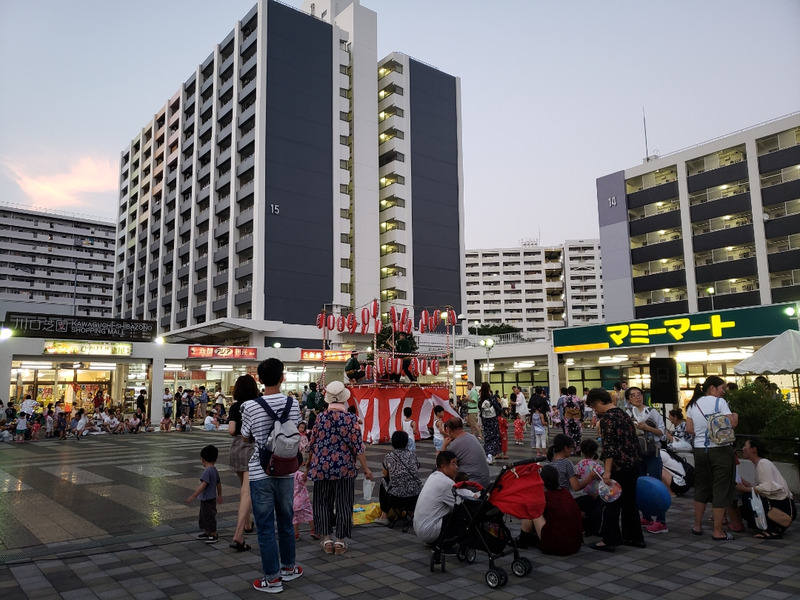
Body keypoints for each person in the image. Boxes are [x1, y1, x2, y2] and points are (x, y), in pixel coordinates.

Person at [240, 358, 304, 593]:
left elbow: (246, 437)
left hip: (260, 471)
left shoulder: (250, 406)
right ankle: (289, 568)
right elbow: (295, 430)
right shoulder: (293, 403)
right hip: (286, 470)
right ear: (282, 378)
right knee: (286, 521)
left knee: (266, 527)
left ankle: (272, 579)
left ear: (259, 379)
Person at [307, 380, 373, 557]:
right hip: (345, 468)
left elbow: (311, 445)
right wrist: (366, 468)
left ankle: (327, 539)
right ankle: (340, 541)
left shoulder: (320, 418)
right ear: (344, 399)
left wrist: (308, 466)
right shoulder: (351, 419)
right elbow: (358, 447)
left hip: (321, 468)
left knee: (322, 502)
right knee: (344, 503)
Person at [585, 387, 644, 552]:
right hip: (633, 464)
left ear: (598, 402)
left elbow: (609, 448)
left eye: (594, 406)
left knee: (611, 502)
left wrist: (607, 471)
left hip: (618, 467)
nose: (595, 410)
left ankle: (610, 540)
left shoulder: (607, 419)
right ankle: (635, 537)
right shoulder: (624, 414)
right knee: (630, 503)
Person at [686, 375, 739, 540]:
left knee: (701, 487)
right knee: (721, 488)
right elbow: (732, 423)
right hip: (720, 450)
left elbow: (689, 428)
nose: (724, 391)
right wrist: (735, 415)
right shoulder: (719, 403)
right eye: (722, 388)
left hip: (700, 450)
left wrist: (703, 433)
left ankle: (697, 525)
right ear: (712, 388)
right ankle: (718, 531)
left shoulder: (693, 404)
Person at [626, 386, 668, 534]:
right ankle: (647, 516)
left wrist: (647, 428)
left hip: (652, 453)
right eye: (633, 395)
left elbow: (663, 433)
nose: (638, 397)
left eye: (639, 394)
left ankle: (661, 521)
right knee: (641, 484)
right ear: (629, 399)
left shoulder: (652, 412)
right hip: (637, 454)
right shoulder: (628, 414)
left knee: (656, 485)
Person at [516, 465, 583, 555]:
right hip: (575, 544)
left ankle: (523, 540)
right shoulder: (565, 492)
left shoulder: (544, 497)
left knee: (532, 509)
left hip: (559, 547)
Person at [738, 438, 797, 539]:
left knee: (748, 497)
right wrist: (739, 480)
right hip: (782, 505)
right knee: (747, 497)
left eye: (745, 446)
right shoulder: (760, 463)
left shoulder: (762, 464)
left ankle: (773, 528)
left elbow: (770, 487)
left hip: (782, 507)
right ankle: (770, 526)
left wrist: (745, 489)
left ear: (753, 449)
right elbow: (757, 486)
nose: (743, 448)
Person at [227, 375, 259, 553]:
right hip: (252, 447)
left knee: (243, 488)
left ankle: (247, 524)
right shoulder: (258, 404)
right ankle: (239, 535)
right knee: (247, 491)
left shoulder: (235, 406)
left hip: (236, 448)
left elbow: (231, 430)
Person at [374, 430, 423, 526]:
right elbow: (416, 468)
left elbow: (385, 474)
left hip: (396, 498)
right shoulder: (413, 455)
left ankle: (384, 516)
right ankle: (411, 512)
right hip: (415, 496)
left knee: (383, 481)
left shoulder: (389, 457)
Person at [413, 450, 459, 546]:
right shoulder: (446, 482)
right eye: (453, 464)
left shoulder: (433, 476)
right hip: (429, 531)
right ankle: (447, 545)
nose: (457, 467)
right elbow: (460, 503)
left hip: (419, 529)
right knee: (460, 512)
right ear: (443, 466)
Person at [185, 445, 222, 544]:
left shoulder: (207, 471)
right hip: (211, 498)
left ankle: (213, 534)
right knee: (206, 516)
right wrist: (219, 495)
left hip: (207, 499)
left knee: (208, 517)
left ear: (202, 459)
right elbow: (218, 484)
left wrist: (193, 495)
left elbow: (203, 485)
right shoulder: (214, 470)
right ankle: (208, 532)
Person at [440, 417, 490, 489]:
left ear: (449, 429)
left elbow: (442, 465)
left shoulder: (455, 444)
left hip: (472, 485)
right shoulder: (471, 436)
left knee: (439, 473)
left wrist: (444, 446)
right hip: (484, 482)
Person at [293, 459, 318, 541]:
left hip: (292, 501)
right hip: (302, 500)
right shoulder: (298, 474)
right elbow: (304, 478)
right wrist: (307, 469)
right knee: (310, 515)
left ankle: (295, 534)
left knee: (294, 518)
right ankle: (314, 531)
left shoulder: (288, 474)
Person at [479, 382, 502, 464]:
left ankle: (487, 455)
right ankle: (491, 455)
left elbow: (480, 409)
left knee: (487, 436)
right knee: (494, 437)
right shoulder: (492, 398)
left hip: (485, 420)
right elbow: (498, 408)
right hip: (493, 419)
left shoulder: (481, 399)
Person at [562, 386, 584, 452]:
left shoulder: (565, 399)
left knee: (568, 433)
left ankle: (570, 450)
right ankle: (577, 449)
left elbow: (564, 408)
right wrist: (582, 418)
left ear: (568, 392)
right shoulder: (579, 399)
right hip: (577, 417)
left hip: (568, 417)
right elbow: (582, 409)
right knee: (577, 433)